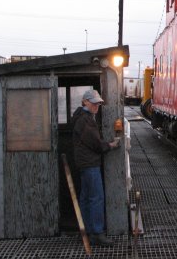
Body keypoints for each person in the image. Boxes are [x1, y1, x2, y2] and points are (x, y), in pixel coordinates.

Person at [71, 89, 120, 246]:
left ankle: (85, 231)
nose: (96, 106)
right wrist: (111, 145)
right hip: (90, 164)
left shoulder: (82, 117)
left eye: (98, 103)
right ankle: (97, 233)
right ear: (85, 102)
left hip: (84, 163)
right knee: (96, 198)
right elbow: (95, 143)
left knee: (86, 198)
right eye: (93, 103)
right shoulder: (85, 120)